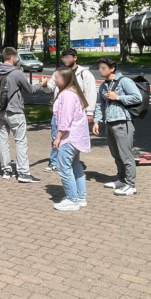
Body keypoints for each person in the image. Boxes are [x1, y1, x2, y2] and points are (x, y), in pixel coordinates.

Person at [40, 49, 97, 173]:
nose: (65, 60)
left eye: (68, 57)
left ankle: (70, 161)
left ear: (75, 58)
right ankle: (54, 161)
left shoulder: (84, 74)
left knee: (72, 137)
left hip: (76, 113)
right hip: (60, 112)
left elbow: (91, 93)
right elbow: (50, 87)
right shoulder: (59, 72)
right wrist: (44, 84)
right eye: (63, 57)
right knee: (56, 135)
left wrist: (90, 112)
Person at [0, 47, 43, 182]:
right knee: (20, 141)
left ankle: (6, 170)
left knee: (3, 140)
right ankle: (23, 172)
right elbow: (30, 90)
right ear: (12, 57)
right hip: (14, 111)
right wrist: (41, 84)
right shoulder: (16, 73)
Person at [94, 57, 142, 196]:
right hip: (109, 122)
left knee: (126, 154)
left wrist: (118, 97)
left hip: (122, 122)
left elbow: (137, 97)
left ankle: (131, 184)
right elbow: (100, 104)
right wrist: (97, 121)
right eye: (99, 68)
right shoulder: (103, 85)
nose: (100, 70)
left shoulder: (124, 81)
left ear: (112, 68)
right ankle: (121, 179)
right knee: (116, 154)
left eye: (103, 67)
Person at [51, 67, 92, 211]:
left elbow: (65, 119)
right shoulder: (73, 93)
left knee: (64, 168)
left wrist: (58, 137)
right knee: (75, 166)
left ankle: (72, 199)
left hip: (69, 138)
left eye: (56, 77)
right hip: (76, 137)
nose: (54, 79)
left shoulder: (67, 95)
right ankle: (80, 197)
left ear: (65, 79)